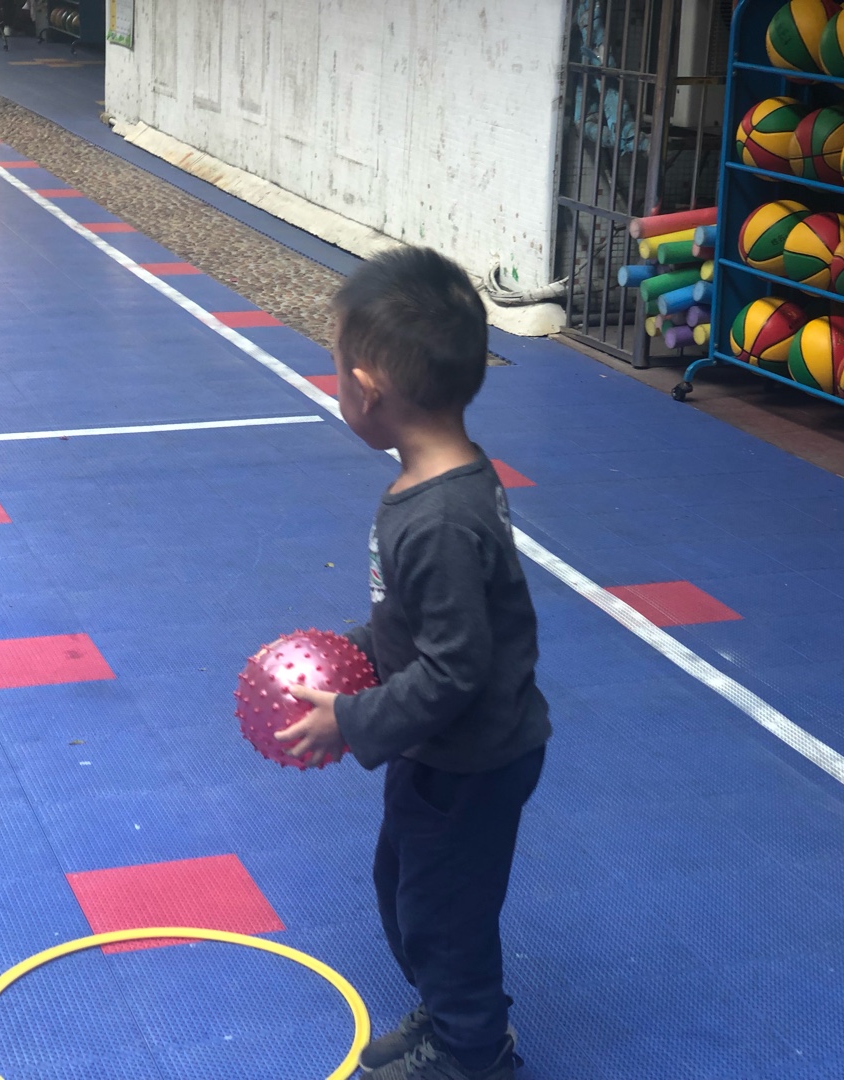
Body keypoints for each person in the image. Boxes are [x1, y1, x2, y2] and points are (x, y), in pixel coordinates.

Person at [276, 247, 551, 1080]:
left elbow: (454, 667)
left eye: (334, 369)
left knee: (442, 913)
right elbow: (426, 625)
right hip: (438, 748)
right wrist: (356, 651)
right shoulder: (436, 480)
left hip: (472, 759)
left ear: (367, 389)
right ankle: (450, 1011)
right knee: (406, 886)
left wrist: (351, 719)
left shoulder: (438, 520)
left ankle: (473, 1054)